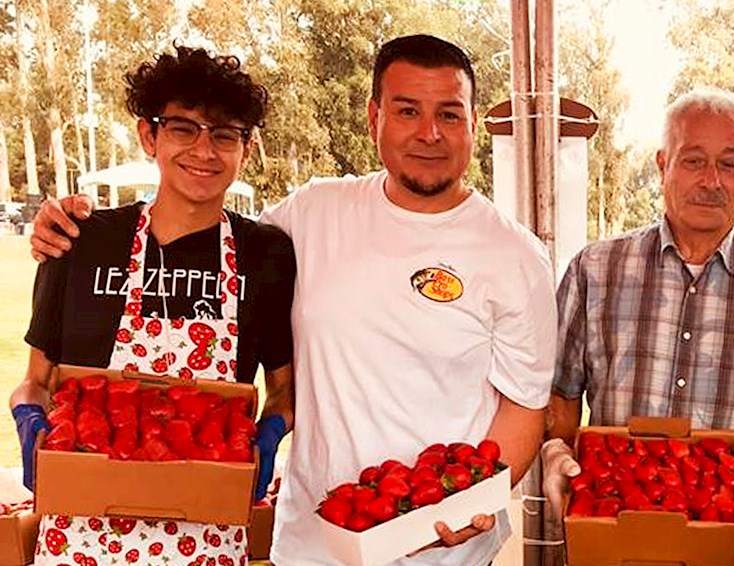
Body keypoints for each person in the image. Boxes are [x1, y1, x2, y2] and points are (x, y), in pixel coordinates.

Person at [27, 35, 557, 566]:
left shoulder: (515, 255)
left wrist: (471, 500)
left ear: (472, 124)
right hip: (311, 544)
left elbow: (524, 406)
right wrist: (66, 224)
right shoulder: (312, 214)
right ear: (375, 118)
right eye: (407, 110)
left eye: (449, 113)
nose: (429, 133)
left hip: (444, 552)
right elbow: (199, 218)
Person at [11, 45, 294, 565]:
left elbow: (283, 390)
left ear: (245, 150)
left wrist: (270, 433)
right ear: (149, 135)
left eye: (225, 134)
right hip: (80, 535)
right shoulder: (80, 240)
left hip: (205, 538)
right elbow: (39, 379)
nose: (205, 151)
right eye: (184, 128)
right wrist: (29, 418)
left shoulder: (267, 254)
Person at [541, 87, 734, 565]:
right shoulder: (597, 268)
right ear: (662, 164)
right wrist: (554, 451)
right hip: (613, 527)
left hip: (733, 533)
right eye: (693, 160)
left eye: (730, 164)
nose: (711, 180)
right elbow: (561, 391)